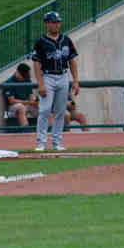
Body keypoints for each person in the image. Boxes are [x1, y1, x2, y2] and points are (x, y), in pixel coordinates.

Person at [31, 11, 80, 152]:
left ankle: (56, 142)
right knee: (45, 109)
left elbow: (72, 60)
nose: (57, 24)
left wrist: (76, 80)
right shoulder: (41, 42)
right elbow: (36, 64)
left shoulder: (66, 39)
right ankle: (40, 142)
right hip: (48, 76)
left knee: (60, 111)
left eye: (58, 22)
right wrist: (40, 84)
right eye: (53, 22)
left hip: (63, 76)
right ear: (46, 24)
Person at [3, 63, 38, 128]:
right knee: (21, 108)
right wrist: (28, 102)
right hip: (12, 108)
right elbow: (12, 101)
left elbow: (31, 95)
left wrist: (34, 100)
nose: (24, 78)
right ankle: (26, 132)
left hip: (27, 104)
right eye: (23, 76)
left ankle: (49, 130)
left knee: (44, 107)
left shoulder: (27, 79)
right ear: (18, 72)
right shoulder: (9, 82)